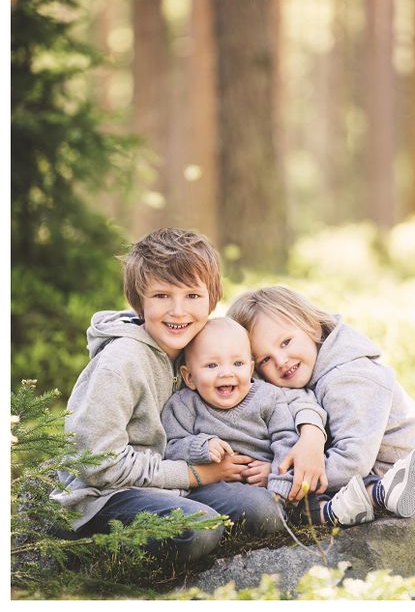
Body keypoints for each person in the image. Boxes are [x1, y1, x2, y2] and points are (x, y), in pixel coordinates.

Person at [50, 229, 327, 566]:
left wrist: (311, 435)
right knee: (198, 530)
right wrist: (199, 475)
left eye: (192, 296)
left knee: (263, 510)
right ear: (139, 301)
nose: (178, 311)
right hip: (107, 498)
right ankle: (89, 554)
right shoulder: (120, 363)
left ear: (212, 299)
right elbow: (97, 465)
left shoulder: (200, 347)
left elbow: (280, 394)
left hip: (176, 485)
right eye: (162, 296)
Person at [227, 285, 415, 528]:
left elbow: (353, 461)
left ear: (312, 327)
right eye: (265, 359)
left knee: (298, 507)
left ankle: (379, 494)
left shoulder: (347, 378)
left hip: (388, 469)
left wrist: (280, 475)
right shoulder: (303, 374)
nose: (281, 361)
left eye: (285, 342)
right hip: (349, 466)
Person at [162, 317, 382, 529]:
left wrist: (278, 485)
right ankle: (331, 510)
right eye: (211, 366)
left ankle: (378, 493)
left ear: (250, 370)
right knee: (266, 506)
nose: (226, 373)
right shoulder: (183, 405)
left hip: (273, 479)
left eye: (237, 363)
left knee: (310, 491)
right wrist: (201, 446)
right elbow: (169, 447)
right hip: (217, 487)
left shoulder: (267, 397)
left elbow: (285, 440)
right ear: (189, 376)